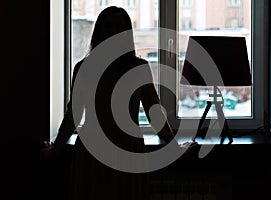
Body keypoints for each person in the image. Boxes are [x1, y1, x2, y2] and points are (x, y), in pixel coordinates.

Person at [43, 6, 196, 200]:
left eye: (118, 27)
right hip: (96, 153)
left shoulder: (136, 68)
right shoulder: (85, 68)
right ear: (99, 32)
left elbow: (154, 115)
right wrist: (54, 151)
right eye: (108, 27)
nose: (113, 31)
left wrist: (175, 149)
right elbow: (72, 115)